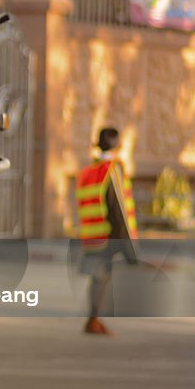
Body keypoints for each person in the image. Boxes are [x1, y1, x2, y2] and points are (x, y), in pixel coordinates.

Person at [76, 127, 139, 335]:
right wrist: (130, 248)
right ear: (118, 146)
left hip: (90, 233)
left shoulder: (87, 172)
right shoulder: (112, 170)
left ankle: (93, 319)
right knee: (103, 276)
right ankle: (93, 320)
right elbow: (118, 207)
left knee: (98, 276)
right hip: (106, 234)